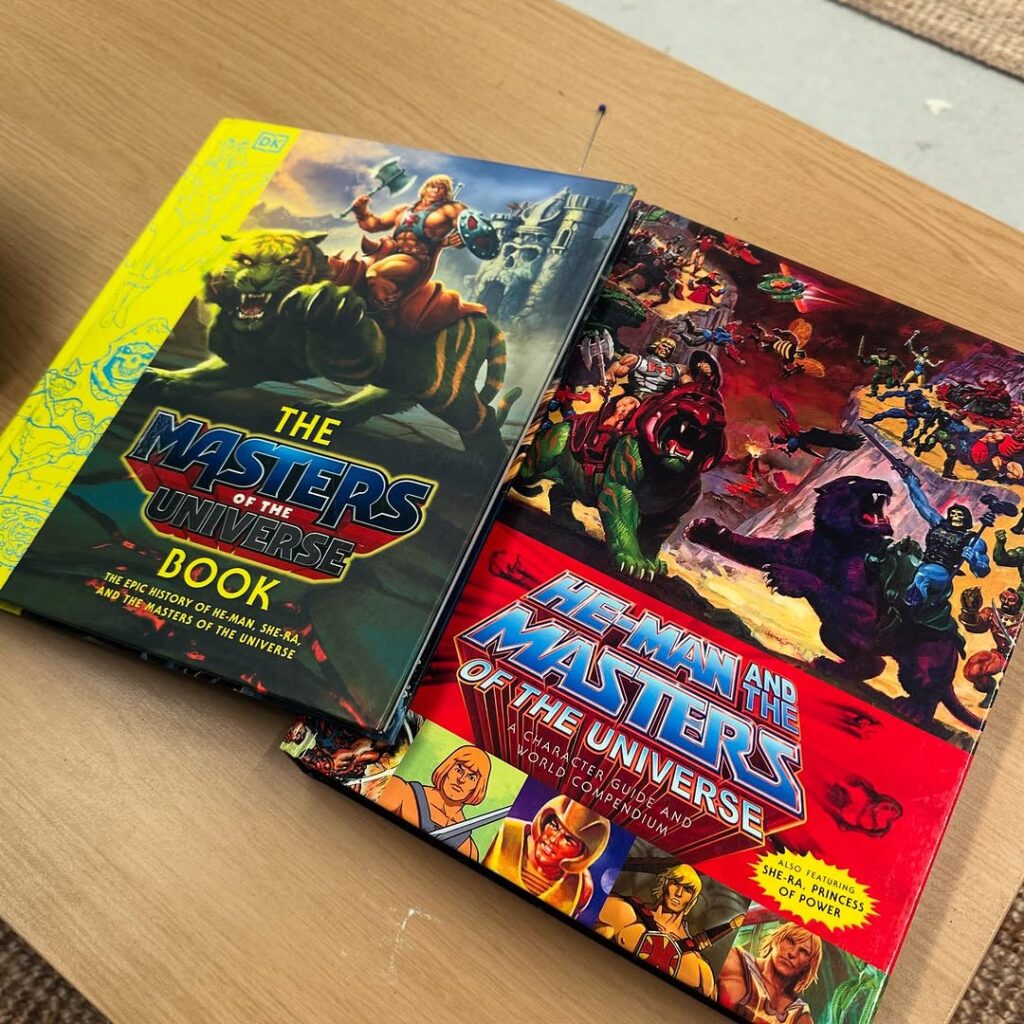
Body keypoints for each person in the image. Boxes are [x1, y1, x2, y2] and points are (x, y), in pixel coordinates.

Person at [596, 864, 717, 995]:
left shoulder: (699, 968)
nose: (678, 893)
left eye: (687, 889)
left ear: (692, 899)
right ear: (665, 884)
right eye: (675, 883)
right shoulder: (626, 911)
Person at [352, 174, 466, 313]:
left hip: (415, 260)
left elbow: (469, 227)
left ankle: (386, 306)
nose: (436, 190)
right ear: (424, 189)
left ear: (446, 193)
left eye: (441, 188)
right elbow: (375, 225)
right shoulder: (403, 210)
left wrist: (459, 239)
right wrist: (361, 212)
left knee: (374, 274)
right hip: (392, 254)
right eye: (433, 186)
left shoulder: (449, 210)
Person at [483, 794, 609, 918]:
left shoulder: (581, 888)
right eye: (554, 826)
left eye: (568, 840)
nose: (554, 839)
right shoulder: (502, 832)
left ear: (582, 854)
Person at [378, 744, 491, 860]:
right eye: (458, 770)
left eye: (471, 777)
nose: (461, 779)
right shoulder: (401, 791)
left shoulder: (468, 848)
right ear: (447, 768)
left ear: (478, 787)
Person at [718, 922, 822, 1023]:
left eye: (803, 951)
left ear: (808, 965)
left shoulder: (799, 1016)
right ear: (776, 940)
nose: (792, 953)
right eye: (790, 941)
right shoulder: (735, 961)